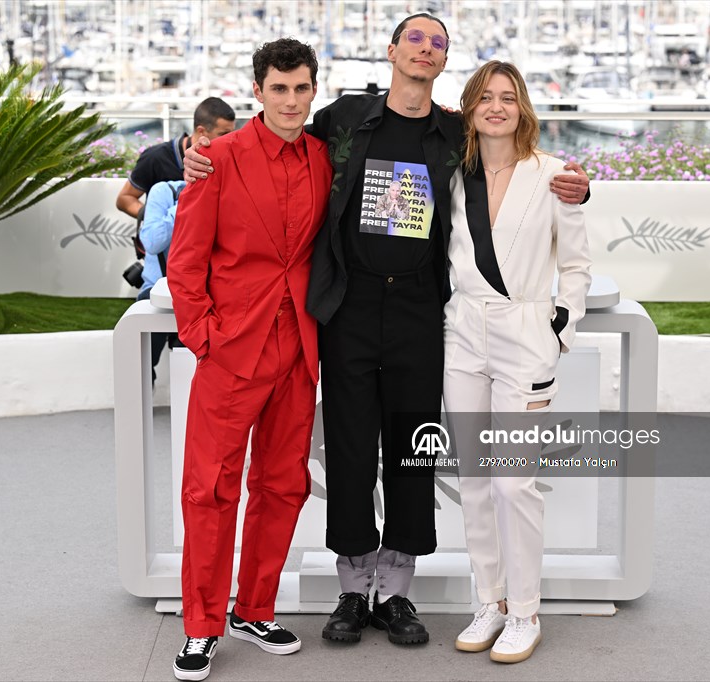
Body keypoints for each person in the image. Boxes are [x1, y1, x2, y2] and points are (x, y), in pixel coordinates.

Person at [185, 13, 592, 648]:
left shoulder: (455, 133)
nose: (425, 50)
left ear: (444, 60)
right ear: (392, 50)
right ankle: (352, 589)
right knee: (348, 452)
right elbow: (280, 136)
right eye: (415, 39)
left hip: (421, 316)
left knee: (411, 454)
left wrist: (577, 185)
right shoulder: (345, 117)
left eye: (438, 43)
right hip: (347, 311)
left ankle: (397, 592)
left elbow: (514, 166)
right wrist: (199, 154)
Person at [166, 38, 332, 682]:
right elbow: (185, 258)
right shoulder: (217, 158)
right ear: (258, 92)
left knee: (282, 483)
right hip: (233, 346)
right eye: (279, 88)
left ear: (313, 91)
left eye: (301, 89)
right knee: (210, 487)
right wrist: (202, 334)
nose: (291, 100)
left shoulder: (323, 158)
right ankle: (202, 625)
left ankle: (254, 608)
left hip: (301, 346)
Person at [443, 60, 591, 664]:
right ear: (470, 108)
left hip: (525, 335)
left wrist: (560, 330)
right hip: (461, 336)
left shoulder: (554, 176)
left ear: (523, 107)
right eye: (485, 97)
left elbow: (576, 264)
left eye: (508, 97)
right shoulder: (452, 175)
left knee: (513, 480)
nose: (496, 107)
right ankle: (491, 600)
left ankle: (526, 611)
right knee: (474, 480)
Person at [117, 97, 235, 383]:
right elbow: (125, 199)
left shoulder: (225, 162)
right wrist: (166, 212)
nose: (230, 141)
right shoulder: (157, 162)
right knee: (148, 356)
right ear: (201, 132)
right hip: (162, 272)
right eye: (224, 135)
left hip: (199, 277)